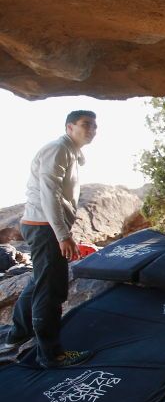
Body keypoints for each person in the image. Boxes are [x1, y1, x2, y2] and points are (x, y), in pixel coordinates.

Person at [1, 110, 97, 367]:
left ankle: (17, 335)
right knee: (50, 290)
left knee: (38, 282)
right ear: (69, 127)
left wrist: (66, 234)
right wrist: (63, 235)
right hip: (43, 226)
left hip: (43, 226)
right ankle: (51, 355)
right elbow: (49, 194)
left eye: (94, 125)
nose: (92, 129)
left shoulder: (70, 153)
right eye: (86, 124)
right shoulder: (58, 149)